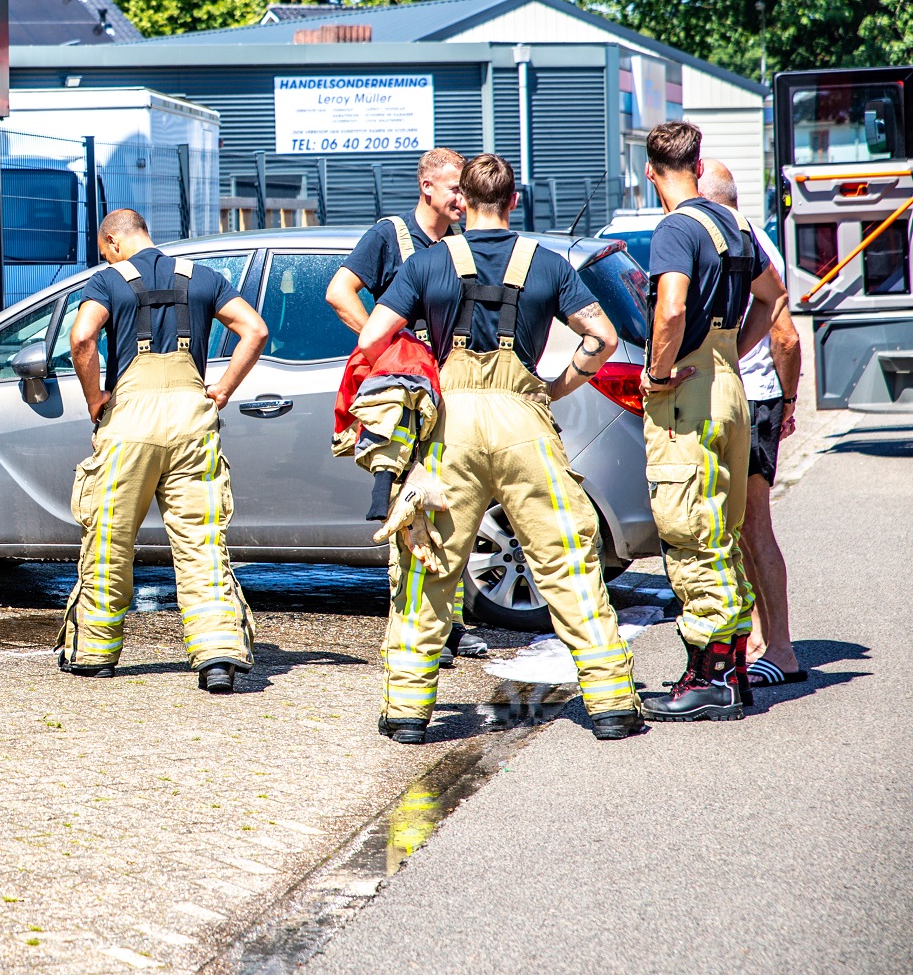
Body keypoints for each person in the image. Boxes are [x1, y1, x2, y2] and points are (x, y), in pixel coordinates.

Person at [358, 154, 643, 742]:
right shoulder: (547, 264)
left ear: (462, 200)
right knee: (566, 559)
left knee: (427, 565)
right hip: (525, 424)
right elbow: (603, 336)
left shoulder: (429, 262)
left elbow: (370, 336)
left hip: (448, 430)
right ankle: (613, 703)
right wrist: (555, 386)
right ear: (514, 201)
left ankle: (409, 713)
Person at [58, 209, 270, 693]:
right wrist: (223, 390)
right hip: (192, 422)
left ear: (112, 241)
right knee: (201, 542)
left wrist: (95, 398)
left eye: (102, 248)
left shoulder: (107, 280)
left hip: (129, 424)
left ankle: (94, 653)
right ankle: (217, 656)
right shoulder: (204, 277)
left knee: (110, 538)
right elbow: (254, 330)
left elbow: (82, 337)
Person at [635, 131, 786, 722]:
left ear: (653, 173)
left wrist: (657, 370)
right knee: (723, 528)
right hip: (730, 383)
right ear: (697, 167)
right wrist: (734, 347)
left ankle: (710, 674)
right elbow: (773, 299)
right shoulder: (737, 224)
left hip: (689, 393)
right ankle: (735, 668)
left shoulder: (675, 228)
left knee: (690, 529)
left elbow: (671, 308)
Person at [325, 147, 486, 665]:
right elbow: (338, 291)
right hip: (405, 399)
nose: (463, 198)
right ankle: (415, 631)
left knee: (450, 506)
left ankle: (450, 625)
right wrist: (387, 345)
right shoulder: (389, 236)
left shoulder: (461, 245)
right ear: (428, 189)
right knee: (406, 510)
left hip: (449, 391)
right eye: (456, 189)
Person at [696, 161, 806, 688]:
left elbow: (785, 335)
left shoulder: (745, 241)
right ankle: (763, 638)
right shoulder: (745, 237)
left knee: (754, 524)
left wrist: (785, 404)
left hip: (756, 396)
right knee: (740, 525)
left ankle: (781, 648)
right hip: (752, 396)